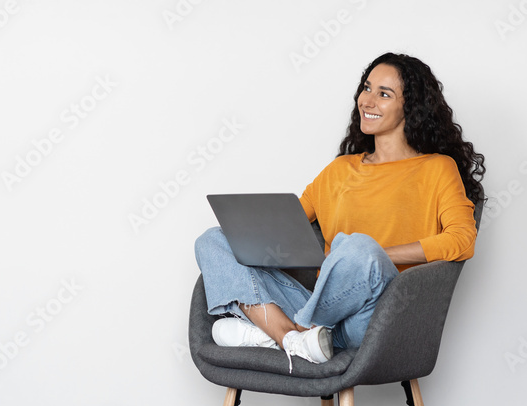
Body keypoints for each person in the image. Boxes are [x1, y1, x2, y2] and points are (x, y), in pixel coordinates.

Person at [194, 52, 485, 371]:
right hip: (320, 305)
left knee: (358, 246)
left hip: (375, 317)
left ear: (410, 107)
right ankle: (292, 339)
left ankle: (275, 332)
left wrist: (377, 255)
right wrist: (247, 233)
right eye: (367, 88)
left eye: (384, 94)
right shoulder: (338, 170)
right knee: (214, 240)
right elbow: (287, 227)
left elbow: (462, 241)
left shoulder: (437, 169)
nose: (368, 100)